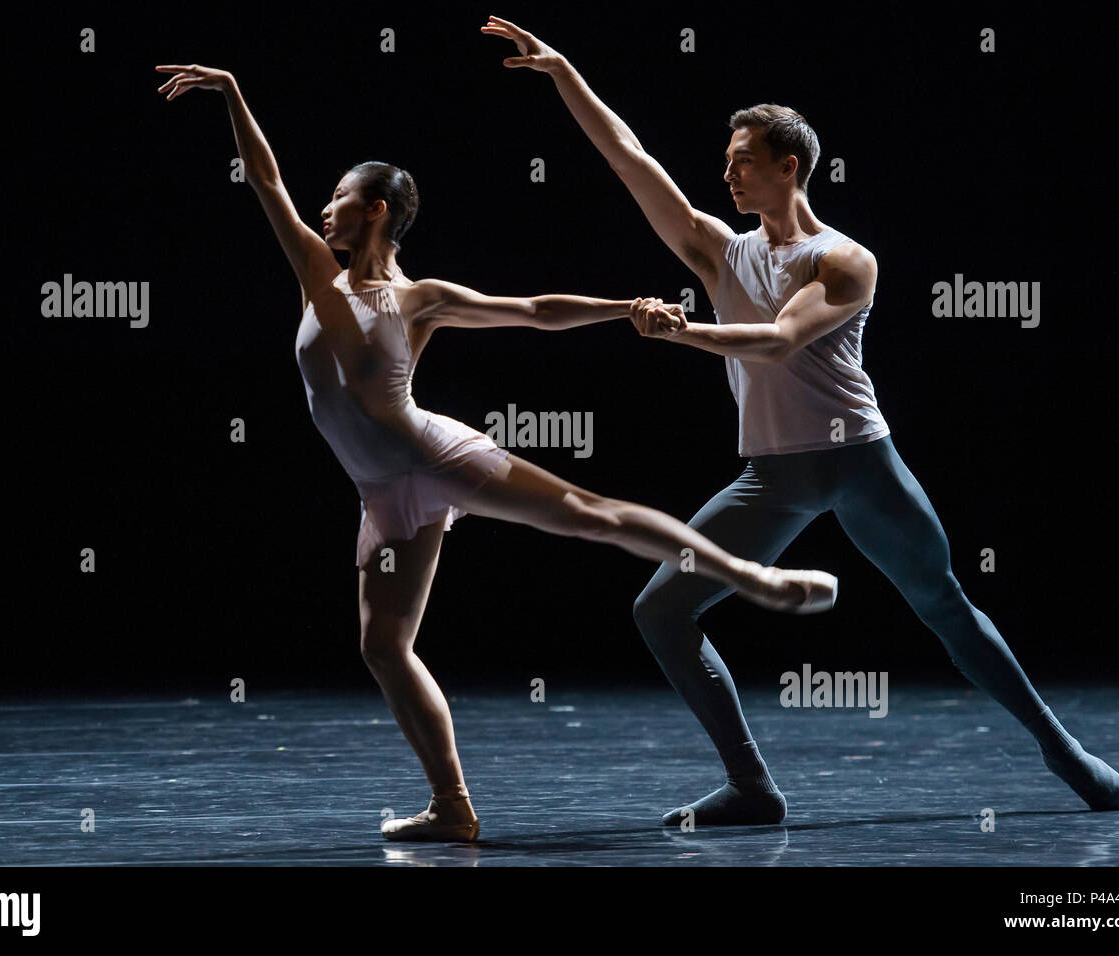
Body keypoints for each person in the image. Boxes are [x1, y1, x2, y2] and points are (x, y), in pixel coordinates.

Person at [156, 62, 839, 842]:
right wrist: (235, 91)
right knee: (383, 647)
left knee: (591, 513)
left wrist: (624, 308)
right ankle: (451, 807)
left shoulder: (420, 299)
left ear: (375, 211)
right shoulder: (317, 273)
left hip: (435, 454)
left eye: (340, 197)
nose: (324, 207)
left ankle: (757, 579)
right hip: (380, 492)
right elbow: (266, 181)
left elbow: (535, 311)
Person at [481, 15, 1119, 825]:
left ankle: (1059, 748)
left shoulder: (845, 260)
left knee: (944, 604)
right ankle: (753, 786)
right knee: (660, 610)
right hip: (774, 475)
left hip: (861, 463)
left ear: (789, 167)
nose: (727, 177)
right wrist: (564, 71)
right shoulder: (719, 251)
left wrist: (687, 332)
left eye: (742, 163)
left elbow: (782, 339)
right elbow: (629, 159)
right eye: (724, 165)